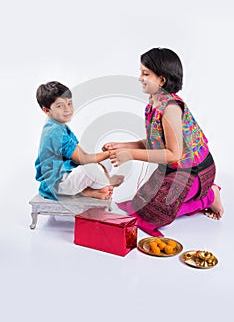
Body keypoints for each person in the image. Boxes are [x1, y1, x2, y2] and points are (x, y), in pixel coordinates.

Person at [103, 48, 224, 236]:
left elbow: (174, 154)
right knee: (138, 205)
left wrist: (130, 155)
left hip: (195, 171)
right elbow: (155, 143)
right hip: (173, 169)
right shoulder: (155, 103)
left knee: (154, 215)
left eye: (145, 73)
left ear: (162, 80)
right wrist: (123, 145)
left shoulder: (171, 108)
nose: (139, 78)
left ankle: (208, 196)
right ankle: (198, 195)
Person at [35, 81, 124, 201]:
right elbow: (84, 159)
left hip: (68, 172)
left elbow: (82, 154)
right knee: (93, 168)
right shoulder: (54, 131)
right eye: (59, 106)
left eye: (69, 103)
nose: (67, 110)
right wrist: (109, 154)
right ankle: (93, 187)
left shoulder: (59, 125)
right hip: (57, 183)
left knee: (104, 162)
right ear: (46, 110)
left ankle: (89, 189)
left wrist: (104, 156)